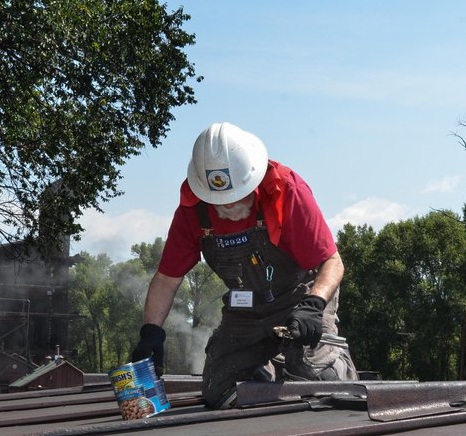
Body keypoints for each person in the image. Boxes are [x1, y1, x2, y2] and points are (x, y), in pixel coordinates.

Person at [132, 122, 358, 409]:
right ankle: (273, 367)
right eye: (218, 201)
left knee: (319, 376)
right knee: (219, 390)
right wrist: (151, 333)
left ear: (253, 179)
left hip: (302, 299)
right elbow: (167, 278)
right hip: (246, 307)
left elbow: (332, 262)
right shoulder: (192, 209)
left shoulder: (285, 190)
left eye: (234, 197)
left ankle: (323, 368)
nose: (226, 208)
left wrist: (314, 304)